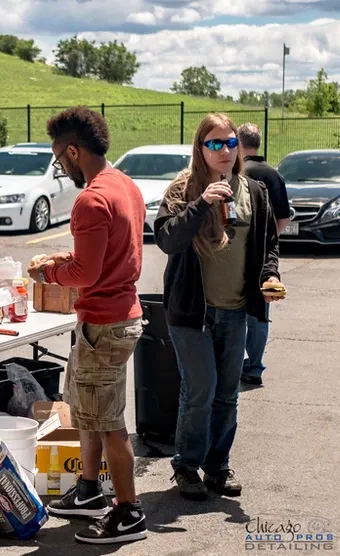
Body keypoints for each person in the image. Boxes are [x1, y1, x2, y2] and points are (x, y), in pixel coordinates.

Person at [27, 106, 147, 545]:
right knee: (87, 413)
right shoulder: (125, 186)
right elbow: (107, 256)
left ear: (74, 151)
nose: (61, 167)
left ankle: (129, 512)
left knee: (109, 421)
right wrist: (66, 262)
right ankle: (89, 491)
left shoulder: (91, 197)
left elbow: (87, 274)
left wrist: (48, 273)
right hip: (114, 318)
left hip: (105, 325)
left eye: (60, 159)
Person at [154, 113, 281, 501]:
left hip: (235, 309)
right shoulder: (182, 188)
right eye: (214, 144)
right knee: (201, 390)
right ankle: (187, 466)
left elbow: (269, 244)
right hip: (193, 313)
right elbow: (166, 240)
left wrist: (270, 275)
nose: (224, 151)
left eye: (229, 143)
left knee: (227, 392)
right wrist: (201, 204)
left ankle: (217, 466)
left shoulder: (254, 191)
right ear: (201, 148)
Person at [237, 123, 291, 386]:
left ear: (239, 141)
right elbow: (284, 217)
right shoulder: (273, 174)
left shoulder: (237, 173)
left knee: (234, 311)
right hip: (263, 259)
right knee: (260, 313)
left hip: (235, 254)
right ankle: (254, 367)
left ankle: (233, 364)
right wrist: (269, 239)